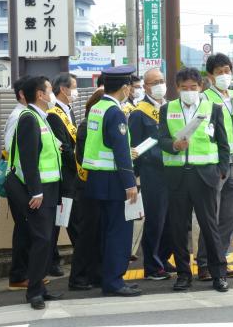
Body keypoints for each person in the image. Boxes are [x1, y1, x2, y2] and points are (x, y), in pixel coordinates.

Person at [158, 67, 230, 292]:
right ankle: (183, 275)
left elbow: (223, 142)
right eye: (184, 88)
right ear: (177, 88)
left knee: (209, 227)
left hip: (205, 176)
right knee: (178, 228)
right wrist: (173, 146)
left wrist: (222, 170)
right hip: (177, 176)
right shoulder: (167, 109)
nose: (189, 91)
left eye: (193, 87)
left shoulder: (213, 108)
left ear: (201, 87)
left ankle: (218, 274)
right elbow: (160, 139)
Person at [82, 65, 141, 297]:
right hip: (115, 180)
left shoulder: (97, 107)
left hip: (97, 178)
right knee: (119, 232)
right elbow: (120, 150)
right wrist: (130, 183)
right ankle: (114, 281)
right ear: (125, 88)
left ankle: (107, 277)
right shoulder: (116, 112)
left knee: (106, 230)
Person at [5, 76, 63, 310]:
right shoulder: (29, 118)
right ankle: (34, 293)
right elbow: (28, 160)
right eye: (49, 90)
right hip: (37, 191)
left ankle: (40, 286)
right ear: (40, 94)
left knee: (45, 240)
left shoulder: (41, 117)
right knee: (41, 239)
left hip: (49, 187)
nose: (52, 94)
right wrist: (36, 191)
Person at [200, 53, 233, 281]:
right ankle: (203, 263)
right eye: (219, 72)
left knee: (229, 216)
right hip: (215, 165)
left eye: (227, 71)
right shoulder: (205, 99)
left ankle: (220, 260)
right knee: (210, 215)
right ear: (210, 75)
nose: (224, 75)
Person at [128, 68, 174, 281]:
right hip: (153, 173)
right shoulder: (139, 113)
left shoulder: (169, 108)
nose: (159, 85)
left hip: (173, 171)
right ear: (145, 86)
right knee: (155, 219)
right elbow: (136, 147)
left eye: (161, 81)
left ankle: (163, 258)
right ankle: (152, 265)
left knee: (171, 220)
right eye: (153, 82)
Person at [68, 88, 105, 291]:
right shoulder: (86, 128)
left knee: (97, 233)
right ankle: (78, 277)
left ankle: (95, 273)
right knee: (87, 234)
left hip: (95, 187)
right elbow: (85, 159)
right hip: (86, 187)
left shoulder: (91, 126)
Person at [3, 75, 36, 291]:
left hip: (23, 181)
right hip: (19, 182)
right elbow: (14, 152)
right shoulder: (19, 116)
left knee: (26, 229)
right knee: (24, 229)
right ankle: (18, 275)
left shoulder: (26, 114)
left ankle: (24, 273)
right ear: (23, 94)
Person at [46, 73, 79, 277]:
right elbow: (63, 147)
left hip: (72, 176)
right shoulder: (54, 114)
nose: (75, 91)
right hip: (64, 177)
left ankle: (74, 257)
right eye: (74, 87)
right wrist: (79, 164)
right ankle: (52, 261)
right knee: (61, 220)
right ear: (64, 90)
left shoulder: (68, 111)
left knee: (70, 218)